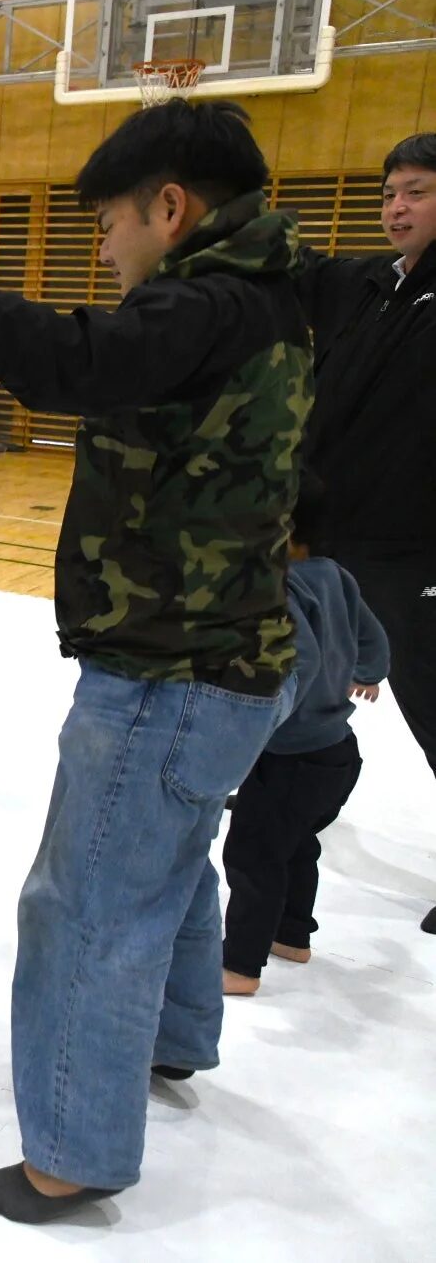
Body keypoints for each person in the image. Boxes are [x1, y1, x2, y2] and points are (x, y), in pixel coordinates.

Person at [0, 98, 311, 1222]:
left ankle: (72, 1150)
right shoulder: (274, 295)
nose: (101, 247)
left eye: (109, 224)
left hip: (171, 669)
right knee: (170, 862)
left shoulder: (210, 303)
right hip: (228, 656)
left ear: (172, 208)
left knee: (84, 901)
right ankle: (176, 1038)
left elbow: (71, 358)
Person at [293, 131, 436, 938]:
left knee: (428, 692)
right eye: (389, 193)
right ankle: (283, 777)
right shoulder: (372, 284)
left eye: (415, 192)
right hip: (329, 529)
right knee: (299, 664)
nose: (396, 207)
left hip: (414, 543)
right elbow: (303, 270)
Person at [221, 473, 389, 995]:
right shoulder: (336, 575)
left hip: (289, 757)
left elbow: (303, 660)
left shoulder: (283, 585)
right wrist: (369, 669)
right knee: (296, 847)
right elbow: (374, 635)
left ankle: (240, 966)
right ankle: (292, 936)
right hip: (336, 753)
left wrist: (255, 727)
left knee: (252, 857)